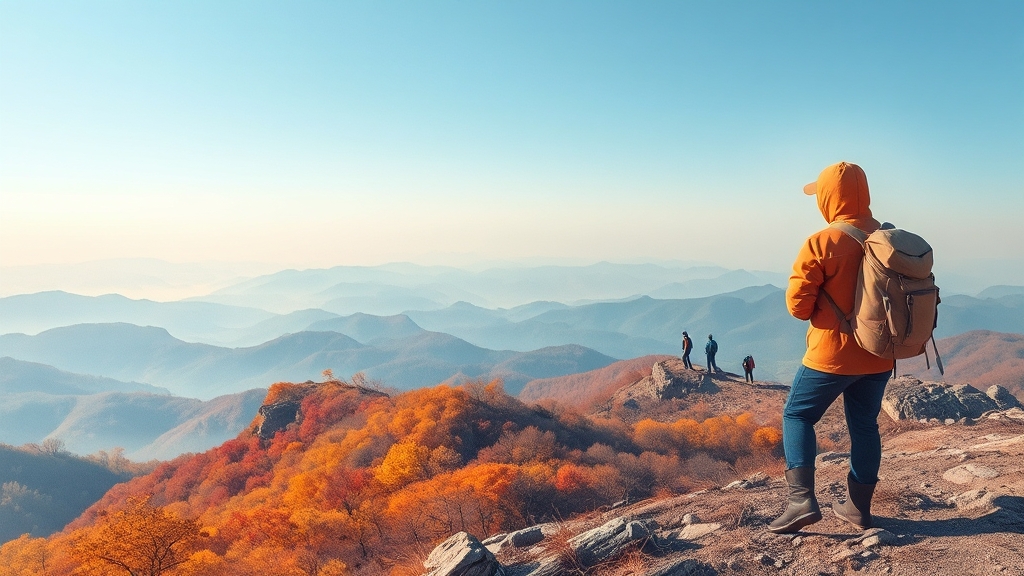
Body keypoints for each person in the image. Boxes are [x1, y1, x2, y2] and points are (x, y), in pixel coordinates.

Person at [768, 162, 895, 534]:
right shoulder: (889, 238)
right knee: (865, 426)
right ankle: (858, 509)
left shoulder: (822, 242)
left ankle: (801, 502)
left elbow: (798, 307)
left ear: (827, 198)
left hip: (832, 355)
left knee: (797, 416)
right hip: (879, 354)